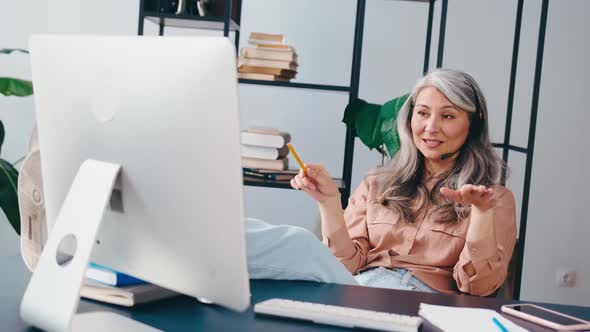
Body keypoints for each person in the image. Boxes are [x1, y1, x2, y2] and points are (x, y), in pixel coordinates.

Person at [286, 68, 516, 296]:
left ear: (474, 123)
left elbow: (479, 287)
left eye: (447, 116)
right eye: (423, 113)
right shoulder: (376, 183)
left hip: (427, 306)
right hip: (362, 291)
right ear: (409, 118)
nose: (431, 127)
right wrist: (329, 203)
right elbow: (345, 267)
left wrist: (482, 214)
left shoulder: (494, 199)